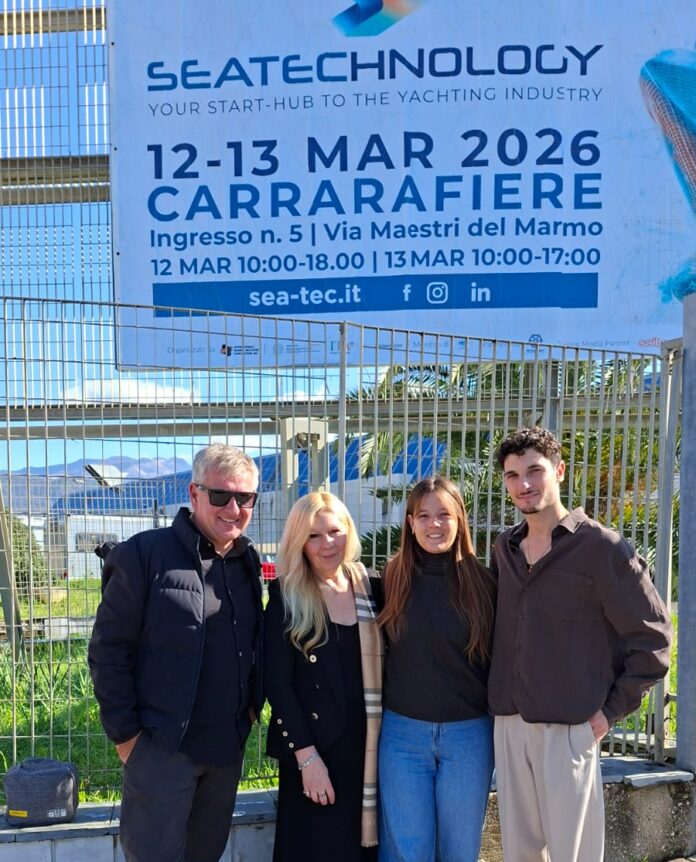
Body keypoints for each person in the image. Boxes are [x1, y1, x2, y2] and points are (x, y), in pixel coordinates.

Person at [489, 426, 673, 862]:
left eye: (535, 471)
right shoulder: (505, 548)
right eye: (513, 476)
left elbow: (654, 639)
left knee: (576, 855)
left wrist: (608, 714)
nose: (525, 484)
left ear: (560, 471)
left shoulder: (603, 548)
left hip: (571, 730)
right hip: (510, 725)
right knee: (519, 854)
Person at [88, 444, 264, 862]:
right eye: (221, 495)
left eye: (245, 498)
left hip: (224, 750)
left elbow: (255, 642)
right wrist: (128, 739)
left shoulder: (247, 561)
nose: (233, 508)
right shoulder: (142, 555)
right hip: (161, 749)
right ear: (194, 494)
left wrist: (251, 711)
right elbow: (108, 651)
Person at [378, 476, 496, 862]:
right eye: (424, 515)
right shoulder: (390, 579)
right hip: (402, 736)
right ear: (410, 522)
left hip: (469, 737)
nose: (434, 524)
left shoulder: (486, 583)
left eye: (444, 514)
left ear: (460, 518)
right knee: (407, 851)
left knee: (460, 851)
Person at [264, 491, 384, 862]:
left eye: (334, 531)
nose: (327, 544)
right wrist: (306, 759)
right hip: (315, 753)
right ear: (299, 542)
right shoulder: (287, 595)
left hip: (369, 751)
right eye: (314, 536)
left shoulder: (373, 588)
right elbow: (276, 684)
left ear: (349, 530)